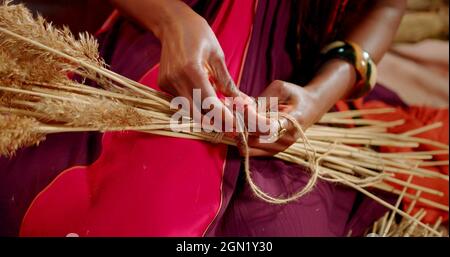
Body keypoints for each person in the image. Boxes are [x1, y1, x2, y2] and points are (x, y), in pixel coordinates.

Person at [10, 0, 407, 236]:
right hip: (163, 46)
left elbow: (388, 5)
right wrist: (170, 19)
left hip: (292, 81)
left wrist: (318, 97)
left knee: (279, 227)